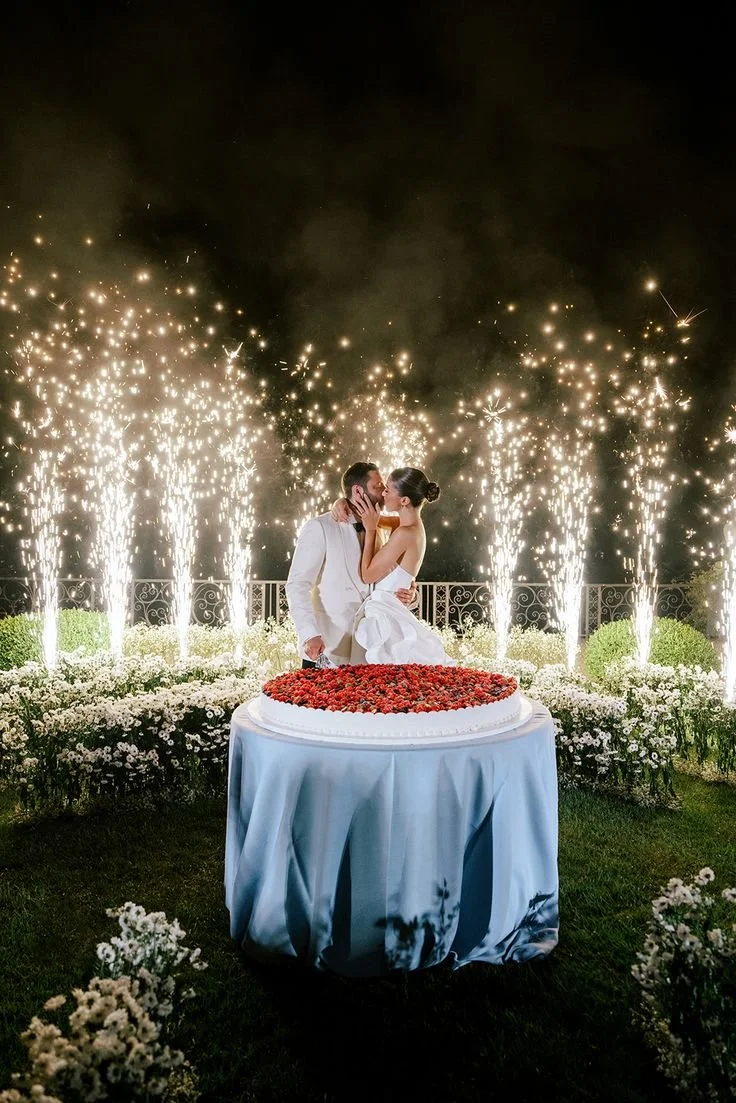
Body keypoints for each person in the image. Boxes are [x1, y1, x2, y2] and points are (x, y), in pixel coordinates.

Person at [286, 461, 417, 667]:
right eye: (378, 486)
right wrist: (309, 634)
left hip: (370, 652)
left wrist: (410, 595)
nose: (383, 493)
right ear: (357, 490)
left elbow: (391, 582)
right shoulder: (320, 527)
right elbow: (297, 584)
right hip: (326, 650)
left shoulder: (383, 529)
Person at [350, 466, 455, 665]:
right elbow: (374, 518)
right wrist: (344, 503)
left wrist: (370, 531)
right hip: (393, 609)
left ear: (404, 500)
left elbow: (367, 575)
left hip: (388, 615)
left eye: (388, 490)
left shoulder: (404, 533)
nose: (383, 493)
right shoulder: (411, 527)